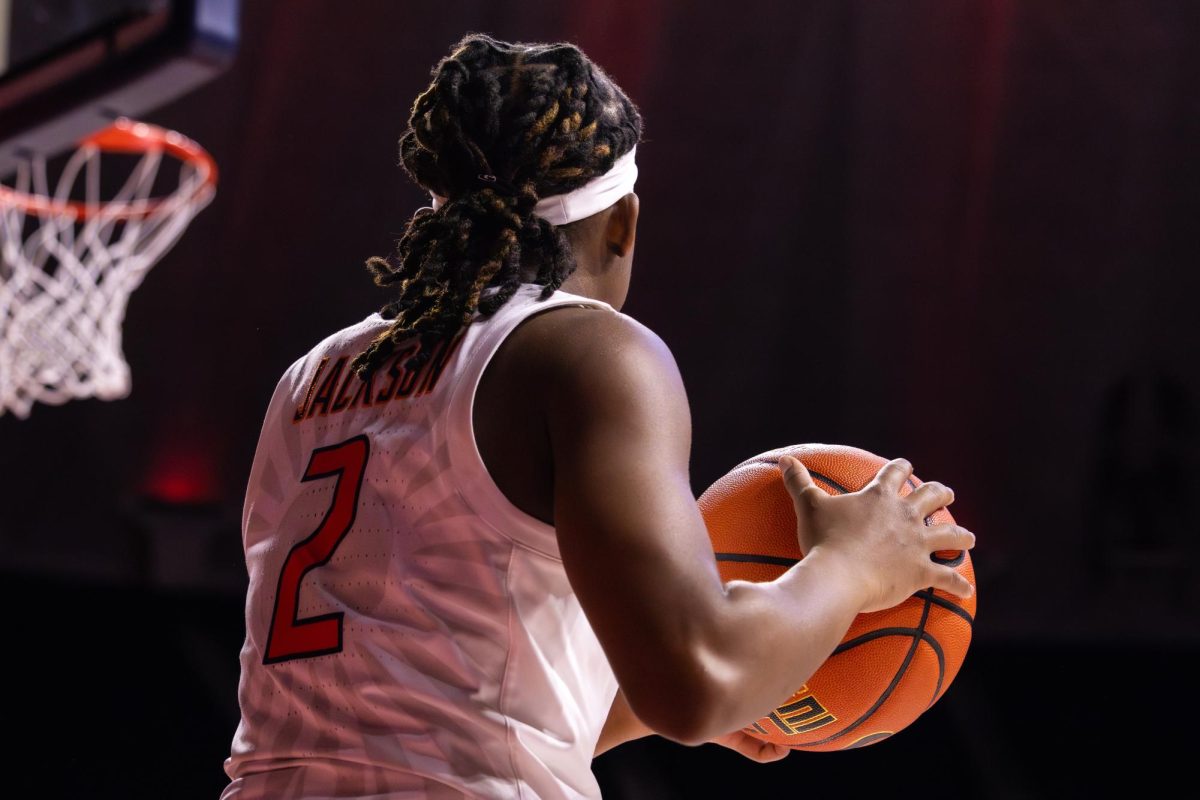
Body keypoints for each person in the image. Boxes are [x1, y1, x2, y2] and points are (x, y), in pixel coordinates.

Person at [220, 33, 976, 800]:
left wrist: (695, 672)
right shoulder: (590, 354)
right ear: (622, 224)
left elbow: (428, 696)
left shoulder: (311, 379)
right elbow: (699, 686)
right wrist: (850, 565)